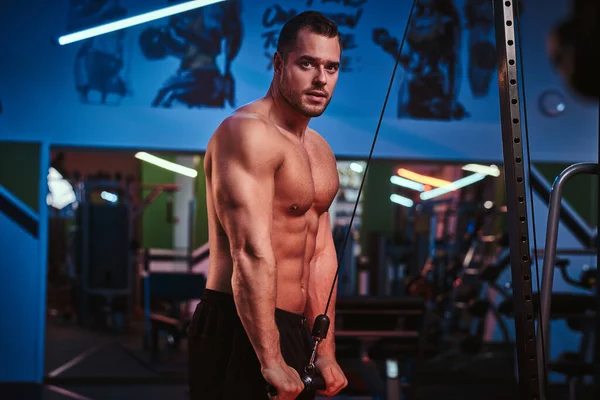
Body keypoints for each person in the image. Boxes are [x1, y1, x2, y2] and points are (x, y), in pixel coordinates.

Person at [187, 10, 349, 400]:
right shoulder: (246, 133)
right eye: (307, 63)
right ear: (279, 64)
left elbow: (321, 254)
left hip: (294, 328)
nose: (321, 79)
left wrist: (323, 349)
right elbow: (251, 251)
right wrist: (270, 357)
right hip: (239, 323)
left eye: (331, 67)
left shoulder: (320, 151)